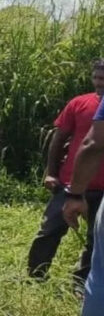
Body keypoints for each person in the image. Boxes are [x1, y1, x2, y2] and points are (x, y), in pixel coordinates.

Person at [28, 60, 104, 288]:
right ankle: (35, 277)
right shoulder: (80, 103)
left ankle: (81, 284)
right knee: (49, 230)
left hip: (102, 191)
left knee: (96, 241)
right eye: (97, 77)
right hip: (70, 184)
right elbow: (58, 138)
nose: (100, 82)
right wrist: (51, 173)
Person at [65, 59, 104, 316]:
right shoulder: (80, 102)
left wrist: (75, 194)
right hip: (83, 184)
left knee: (100, 278)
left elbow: (94, 144)